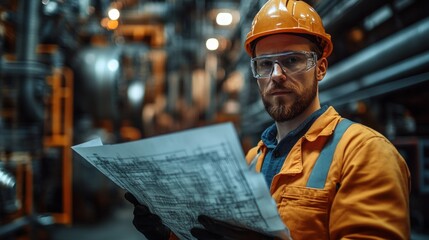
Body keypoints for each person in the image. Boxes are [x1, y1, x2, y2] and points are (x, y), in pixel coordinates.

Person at [125, 0, 411, 239]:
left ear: (320, 68)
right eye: (265, 64)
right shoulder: (252, 159)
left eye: (292, 60)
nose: (276, 75)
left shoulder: (365, 153)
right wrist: (169, 232)